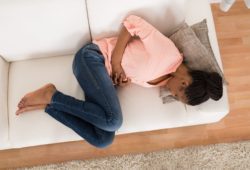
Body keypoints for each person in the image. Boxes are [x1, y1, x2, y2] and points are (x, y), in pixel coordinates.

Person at [16, 15, 223, 148]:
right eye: (177, 94)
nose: (172, 94)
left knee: (103, 139)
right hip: (92, 57)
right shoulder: (167, 54)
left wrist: (122, 80)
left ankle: (49, 106)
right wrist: (115, 61)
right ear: (184, 82)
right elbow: (133, 22)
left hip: (100, 75)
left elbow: (133, 67)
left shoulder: (166, 78)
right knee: (114, 121)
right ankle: (52, 95)